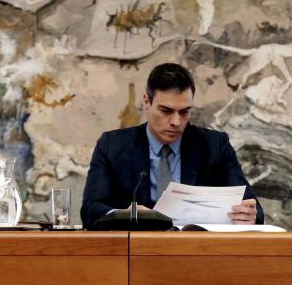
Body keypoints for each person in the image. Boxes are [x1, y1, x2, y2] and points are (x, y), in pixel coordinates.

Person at [80, 63, 263, 227]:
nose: (176, 121)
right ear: (146, 102)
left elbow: (252, 207)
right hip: (132, 252)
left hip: (197, 253)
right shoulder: (112, 146)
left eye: (184, 112)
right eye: (166, 111)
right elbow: (91, 209)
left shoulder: (215, 146)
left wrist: (249, 215)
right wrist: (124, 216)